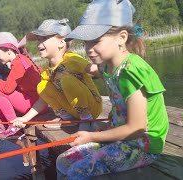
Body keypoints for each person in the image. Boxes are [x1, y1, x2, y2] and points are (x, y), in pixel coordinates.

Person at [56, 0, 169, 179]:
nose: (89, 49)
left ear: (122, 38)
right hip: (122, 138)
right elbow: (94, 73)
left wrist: (93, 136)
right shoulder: (106, 67)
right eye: (86, 43)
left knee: (76, 171)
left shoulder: (131, 71)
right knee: (62, 162)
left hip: (142, 145)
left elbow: (138, 127)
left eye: (96, 41)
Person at [12, 18, 102, 131]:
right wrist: (25, 118)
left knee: (67, 80)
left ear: (61, 42)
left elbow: (95, 70)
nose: (39, 43)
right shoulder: (49, 71)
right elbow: (43, 99)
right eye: (38, 39)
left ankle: (87, 119)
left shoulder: (72, 59)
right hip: (73, 110)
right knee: (42, 86)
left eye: (44, 38)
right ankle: (67, 118)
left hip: (92, 108)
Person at [0, 32, 43, 140]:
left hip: (36, 105)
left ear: (9, 50)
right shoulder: (20, 59)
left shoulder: (18, 63)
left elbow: (7, 89)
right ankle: (4, 123)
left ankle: (14, 128)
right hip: (34, 101)